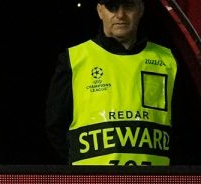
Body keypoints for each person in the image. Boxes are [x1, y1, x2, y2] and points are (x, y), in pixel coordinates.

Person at [46, 0, 178, 166]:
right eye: (112, 7)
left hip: (153, 180)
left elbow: (184, 129)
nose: (120, 15)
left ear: (141, 9)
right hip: (93, 181)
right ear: (100, 10)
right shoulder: (74, 59)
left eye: (128, 6)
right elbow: (55, 126)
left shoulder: (167, 60)